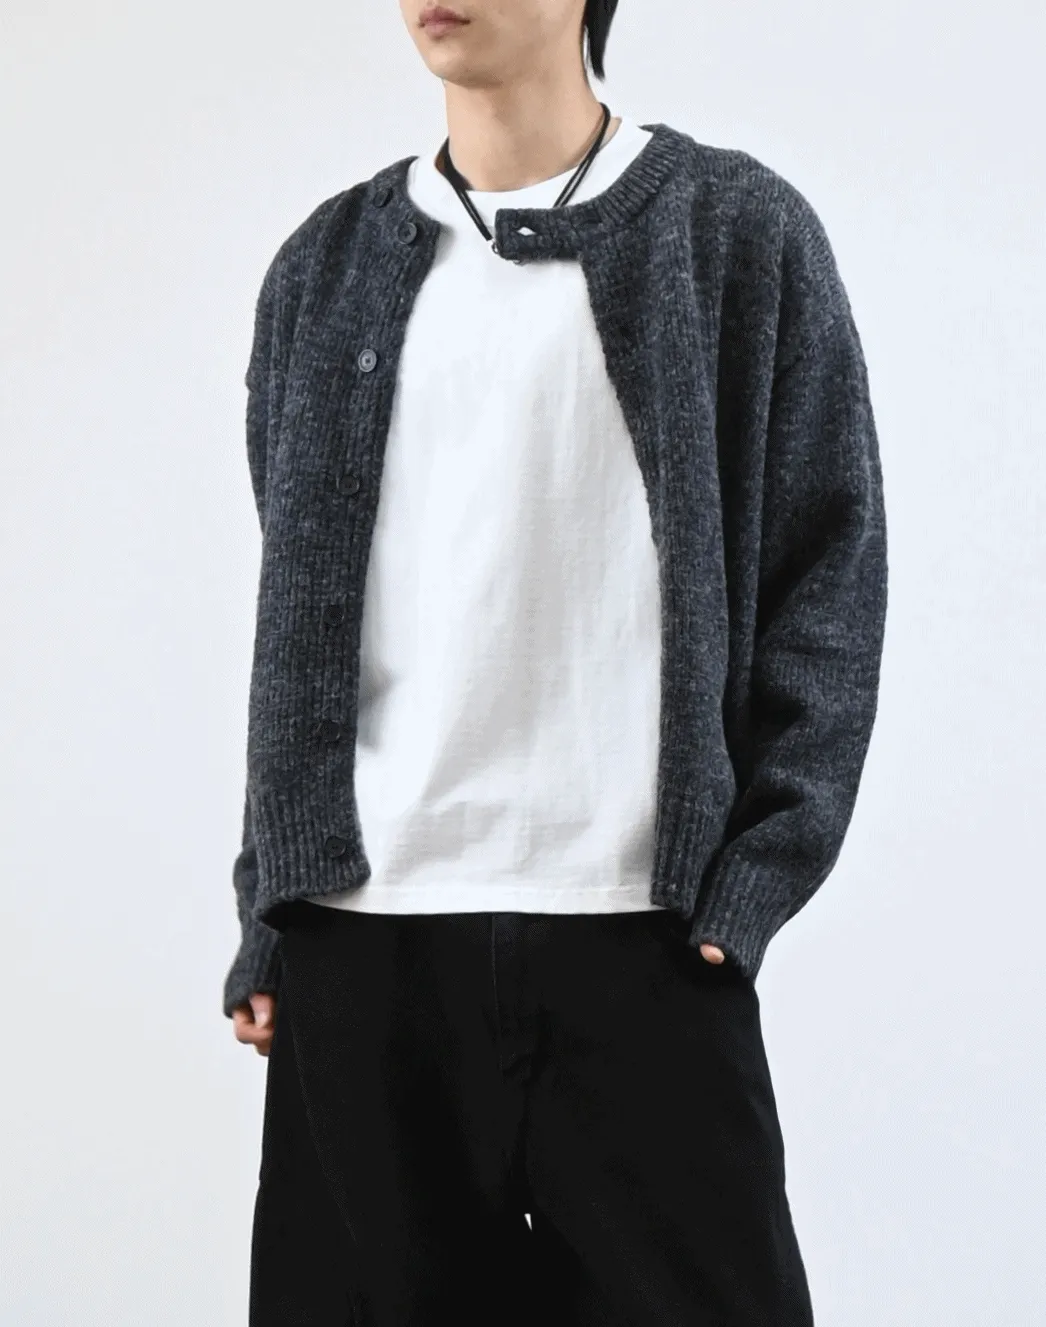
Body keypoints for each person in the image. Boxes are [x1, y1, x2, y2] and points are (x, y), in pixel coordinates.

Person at [225, 1, 887, 1323]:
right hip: (366, 952)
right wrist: (268, 911)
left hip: (646, 944)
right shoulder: (325, 267)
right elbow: (300, 625)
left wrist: (756, 878)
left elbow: (830, 567)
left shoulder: (732, 232)